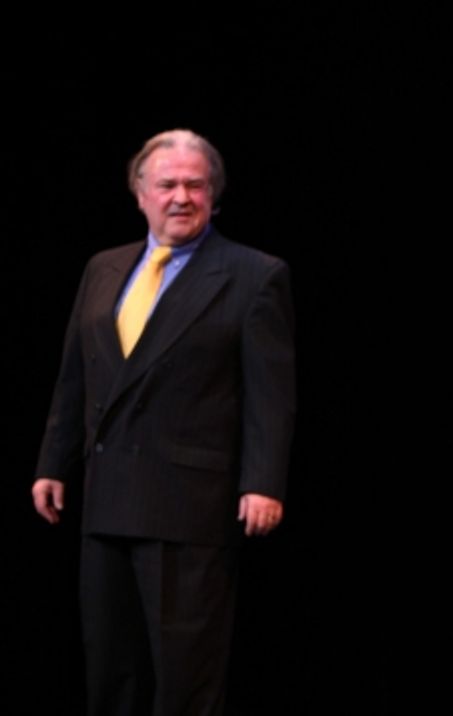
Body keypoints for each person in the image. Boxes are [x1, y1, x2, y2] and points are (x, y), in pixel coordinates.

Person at [31, 128, 296, 715]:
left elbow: (270, 394)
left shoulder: (253, 275)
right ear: (140, 193)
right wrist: (54, 463)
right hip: (106, 501)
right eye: (167, 184)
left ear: (214, 194)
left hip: (187, 506)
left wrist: (263, 481)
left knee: (185, 680)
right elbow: (76, 374)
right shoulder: (104, 268)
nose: (181, 196)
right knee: (110, 671)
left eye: (195, 185)